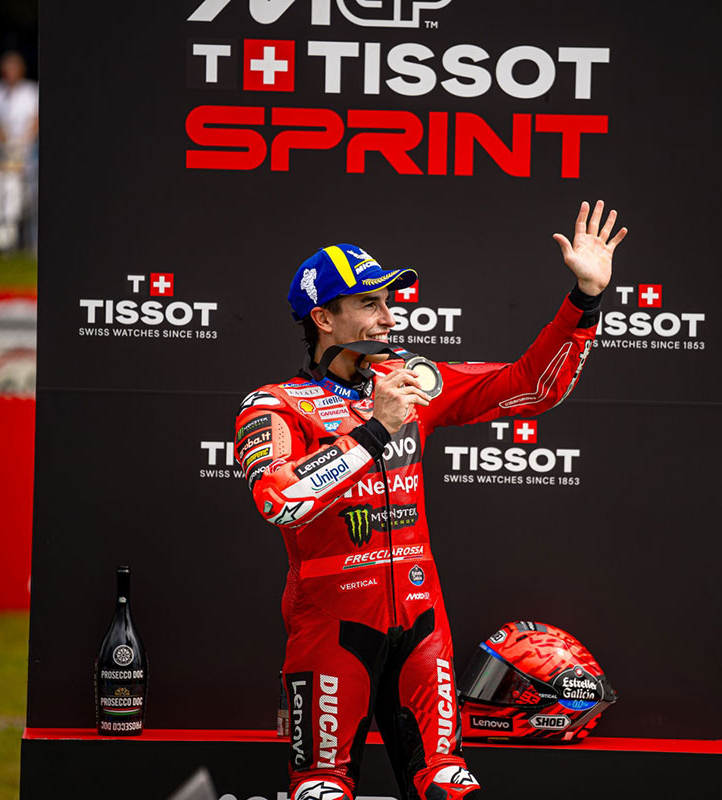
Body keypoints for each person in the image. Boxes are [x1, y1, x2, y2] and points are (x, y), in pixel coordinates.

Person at [233, 202, 626, 800]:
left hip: (421, 620)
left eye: (390, 301)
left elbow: (529, 388)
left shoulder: (415, 380)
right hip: (330, 628)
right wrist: (372, 432)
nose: (390, 317)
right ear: (324, 319)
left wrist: (584, 300)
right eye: (371, 304)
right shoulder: (275, 405)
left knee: (448, 784)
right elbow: (278, 500)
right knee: (320, 790)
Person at [0, 50, 39, 252]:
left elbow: (36, 123)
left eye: (14, 68)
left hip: (23, 155)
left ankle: (10, 244)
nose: (10, 72)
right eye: (6, 69)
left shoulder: (32, 92)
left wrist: (18, 148)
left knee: (13, 191)